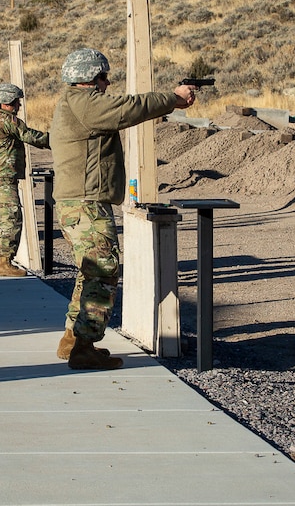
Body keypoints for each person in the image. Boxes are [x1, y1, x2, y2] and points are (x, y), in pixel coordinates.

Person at [50, 48, 195, 370]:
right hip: (86, 203)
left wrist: (168, 103)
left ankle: (73, 340)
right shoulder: (84, 103)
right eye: (102, 77)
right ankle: (84, 347)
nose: (106, 83)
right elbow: (128, 109)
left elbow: (127, 110)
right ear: (88, 78)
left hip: (82, 201)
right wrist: (171, 98)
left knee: (89, 272)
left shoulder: (76, 103)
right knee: (103, 271)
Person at [0, 83, 50, 277]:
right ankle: (5, 262)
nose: (18, 106)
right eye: (15, 102)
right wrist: (56, 140)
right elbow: (30, 136)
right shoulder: (6, 119)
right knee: (11, 218)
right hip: (3, 176)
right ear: (7, 102)